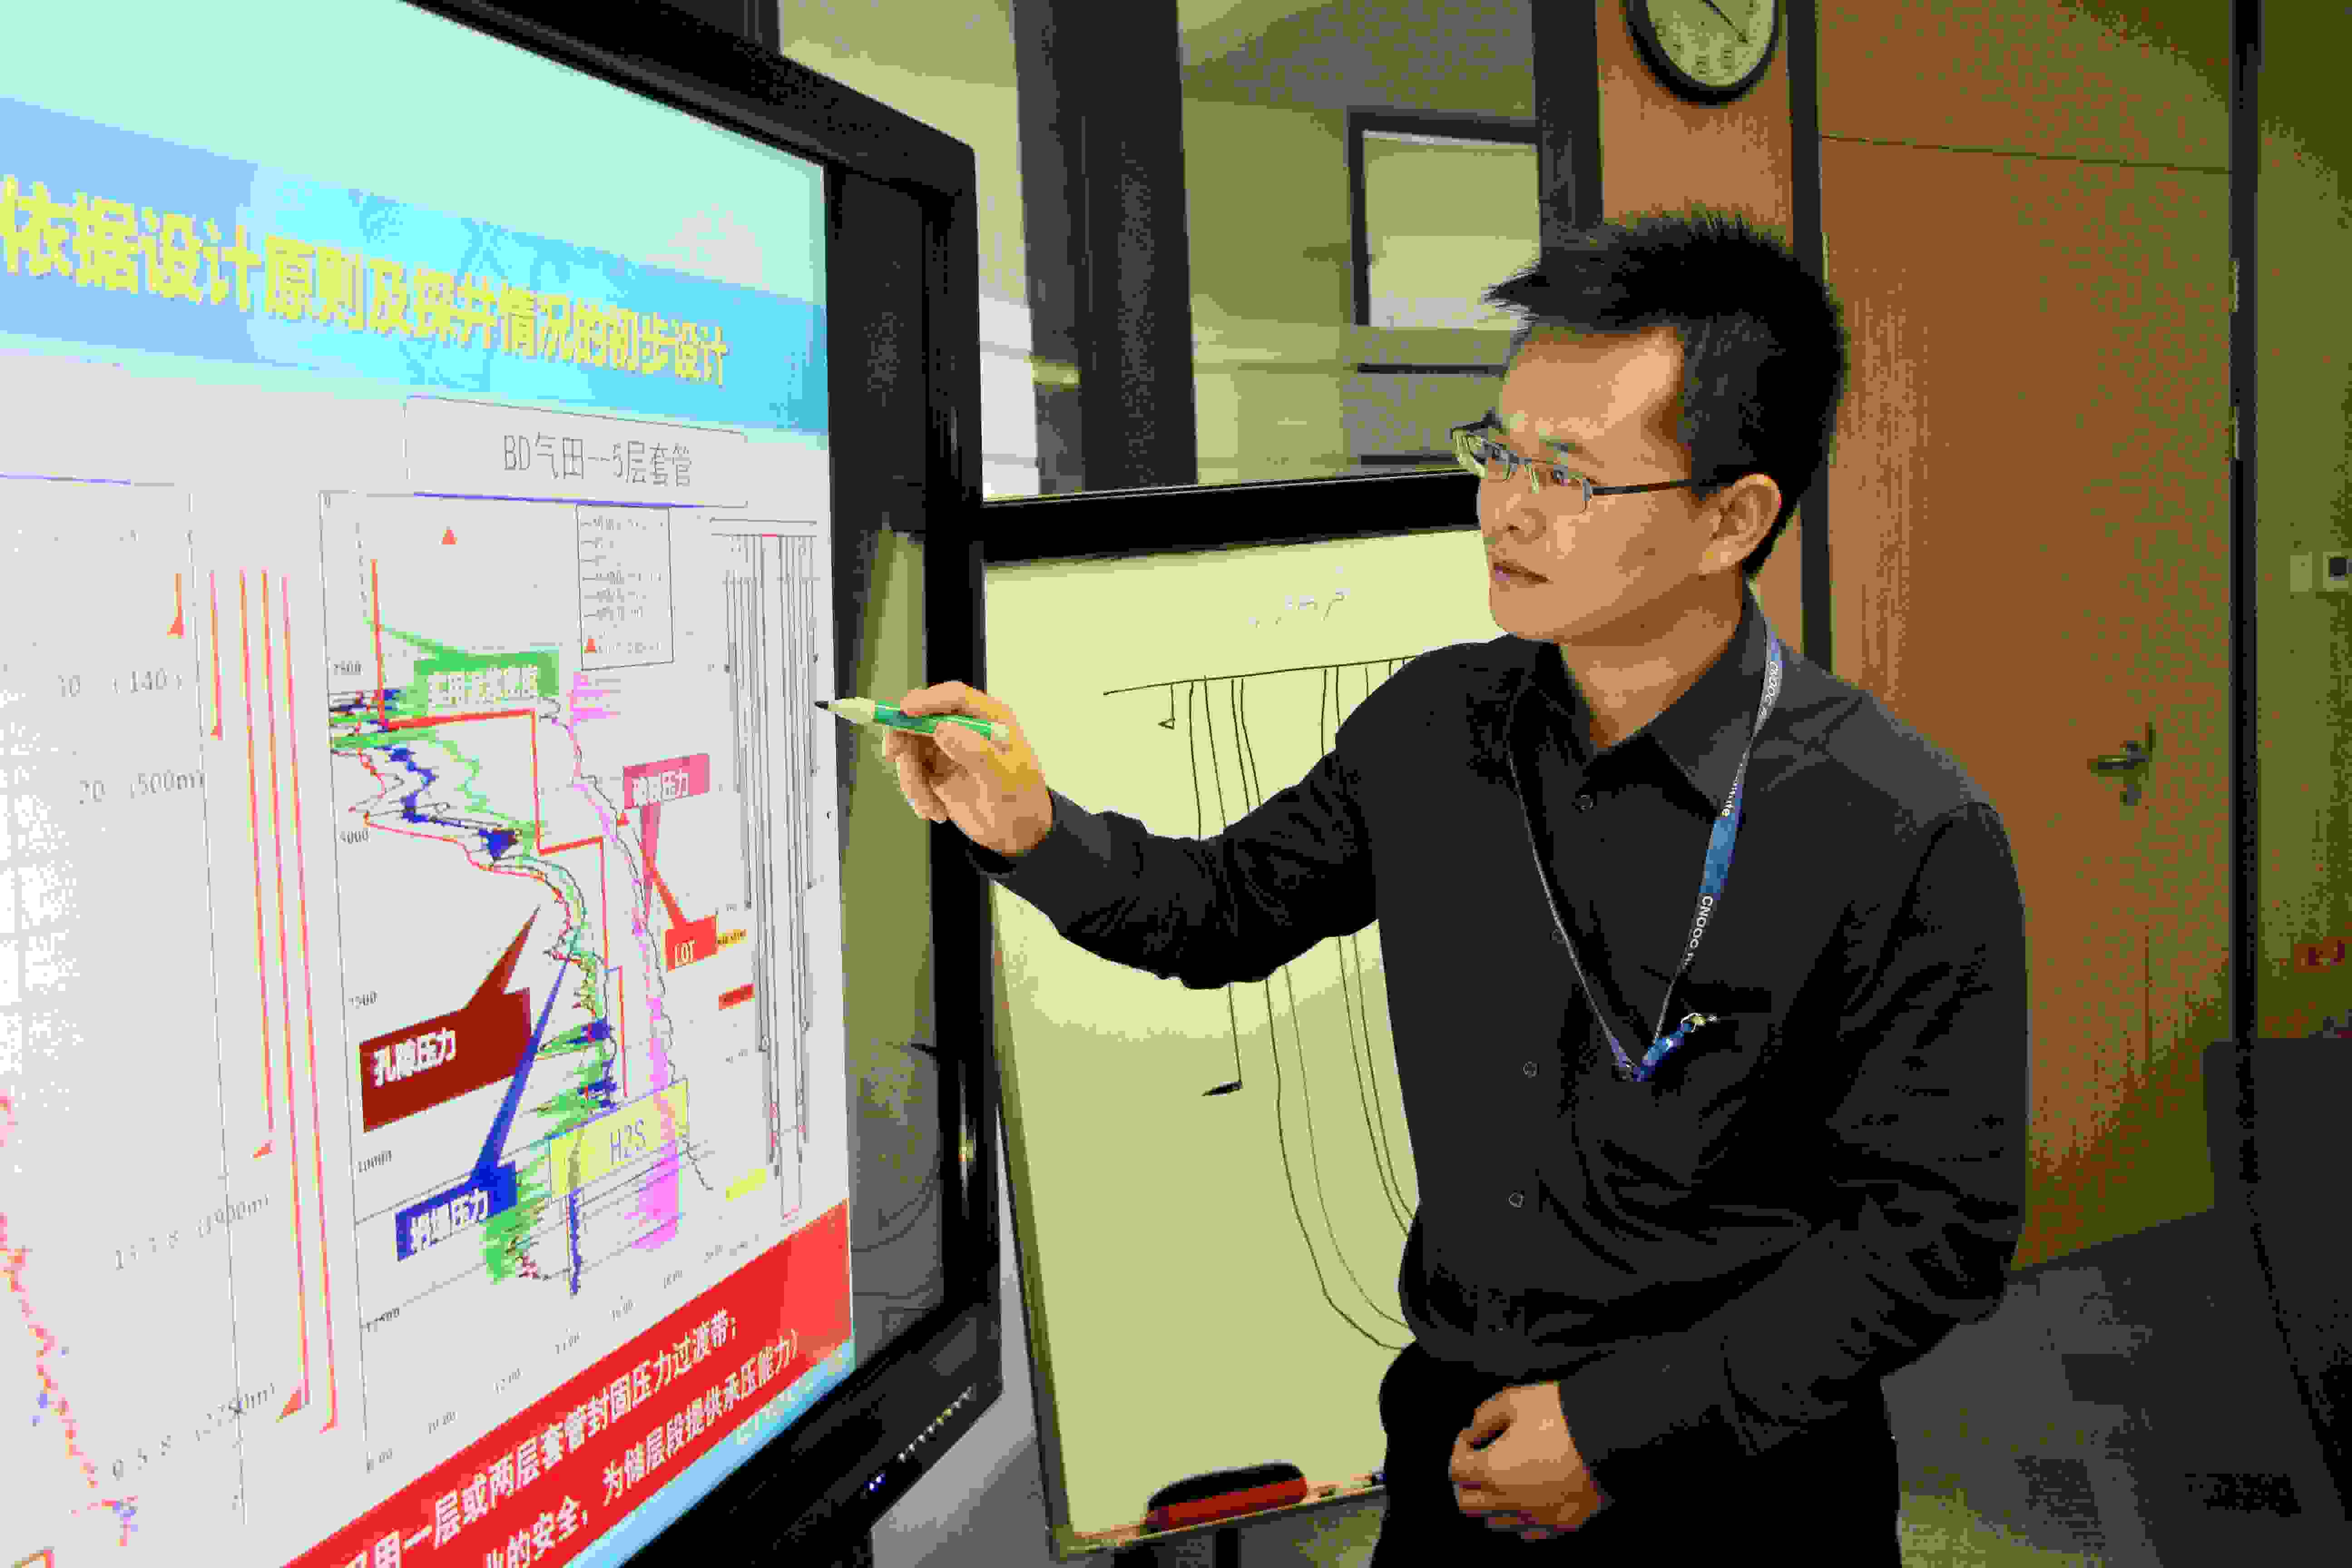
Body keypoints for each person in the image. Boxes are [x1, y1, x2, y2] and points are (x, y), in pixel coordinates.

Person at [885, 203, 2027, 1564]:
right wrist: (1029, 829)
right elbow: (1227, 908)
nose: (1507, 508)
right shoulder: (1435, 729)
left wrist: (1614, 1430)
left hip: (1741, 1474)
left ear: (1733, 518)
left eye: (1570, 475)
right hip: (1458, 1439)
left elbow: (1934, 1233)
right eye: (1500, 451)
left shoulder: (1899, 823)